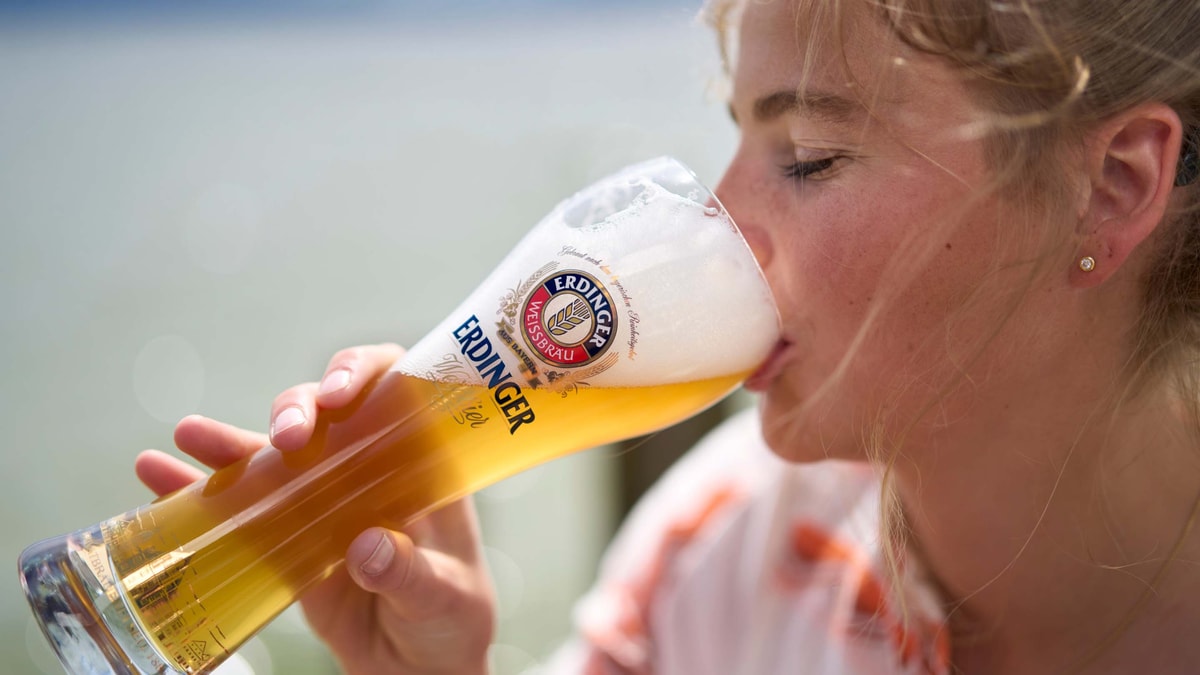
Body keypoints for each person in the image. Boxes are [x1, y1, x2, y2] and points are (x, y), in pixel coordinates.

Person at [135, 0, 1200, 672]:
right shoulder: (721, 552)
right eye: (739, 136)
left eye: (813, 153)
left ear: (1112, 183)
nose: (724, 220)